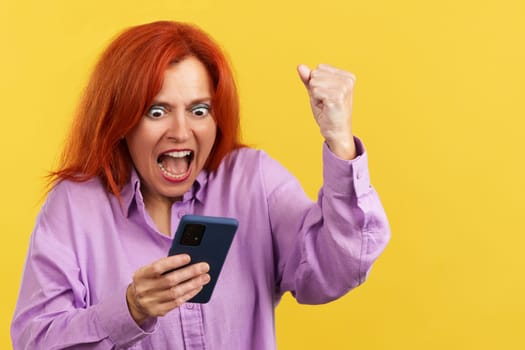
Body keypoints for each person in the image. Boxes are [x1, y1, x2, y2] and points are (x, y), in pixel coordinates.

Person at [11, 21, 390, 349]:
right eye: (156, 111)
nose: (180, 132)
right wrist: (129, 309)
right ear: (121, 120)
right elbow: (35, 339)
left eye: (199, 110)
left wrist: (340, 141)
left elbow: (338, 269)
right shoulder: (75, 207)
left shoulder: (251, 179)